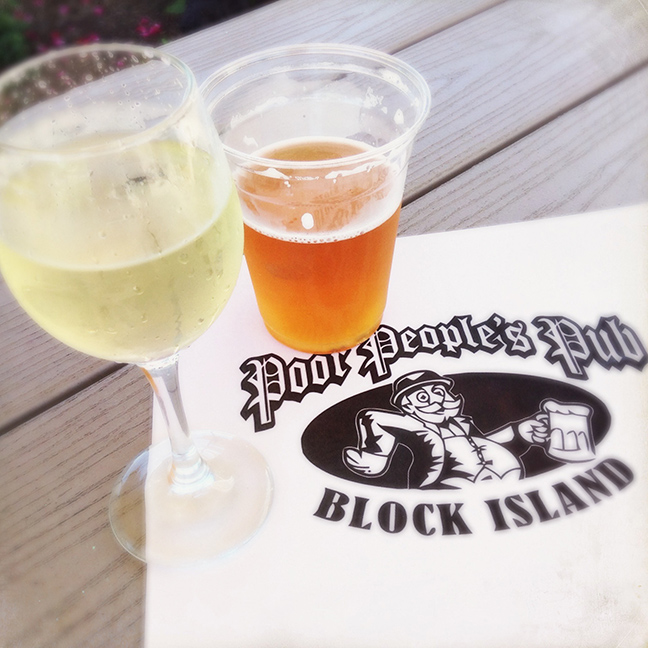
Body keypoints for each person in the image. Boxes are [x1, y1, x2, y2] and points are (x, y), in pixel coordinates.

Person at [343, 370, 551, 489]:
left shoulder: (461, 424)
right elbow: (372, 417)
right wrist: (375, 455)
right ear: (408, 407)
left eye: (438, 392)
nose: (436, 400)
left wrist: (518, 432)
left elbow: (479, 445)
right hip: (449, 494)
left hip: (504, 489)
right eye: (423, 397)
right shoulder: (420, 432)